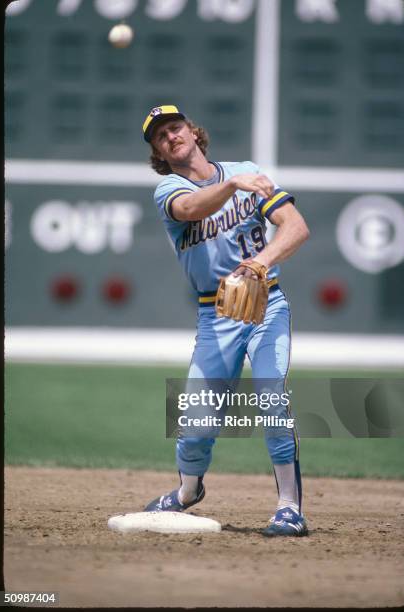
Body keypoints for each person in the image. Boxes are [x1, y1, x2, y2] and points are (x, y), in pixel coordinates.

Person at [142, 105, 310, 536]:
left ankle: (289, 506)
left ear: (193, 132)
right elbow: (192, 208)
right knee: (196, 422)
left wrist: (261, 262)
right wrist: (233, 184)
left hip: (265, 302)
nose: (171, 136)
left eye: (176, 127)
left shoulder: (247, 171)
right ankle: (187, 492)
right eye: (161, 136)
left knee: (272, 398)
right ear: (159, 153)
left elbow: (295, 227)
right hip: (215, 313)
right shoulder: (168, 190)